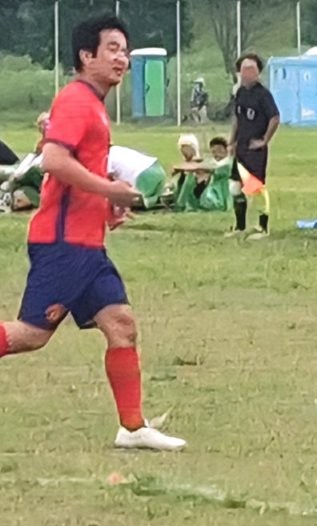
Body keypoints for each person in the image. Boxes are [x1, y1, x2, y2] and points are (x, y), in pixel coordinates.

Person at [0, 15, 185, 451]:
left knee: (121, 325)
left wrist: (107, 204)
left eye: (125, 50)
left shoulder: (95, 105)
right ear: (87, 56)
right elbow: (54, 161)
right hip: (63, 244)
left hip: (87, 245)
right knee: (31, 335)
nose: (122, 58)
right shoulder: (76, 100)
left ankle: (132, 428)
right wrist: (110, 190)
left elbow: (76, 172)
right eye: (112, 49)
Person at [229, 52, 279, 239]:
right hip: (241, 148)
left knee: (256, 188)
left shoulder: (263, 95)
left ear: (258, 72)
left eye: (251, 69)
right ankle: (240, 226)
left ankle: (262, 228)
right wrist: (231, 141)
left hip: (255, 149)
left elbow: (275, 117)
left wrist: (264, 140)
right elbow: (237, 118)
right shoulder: (240, 93)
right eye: (244, 69)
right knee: (235, 186)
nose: (247, 73)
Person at [108, 145, 168, 210]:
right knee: (155, 196)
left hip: (143, 176)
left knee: (132, 200)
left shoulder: (107, 157)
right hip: (158, 169)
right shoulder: (115, 149)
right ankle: (161, 196)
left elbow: (108, 179)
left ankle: (148, 200)